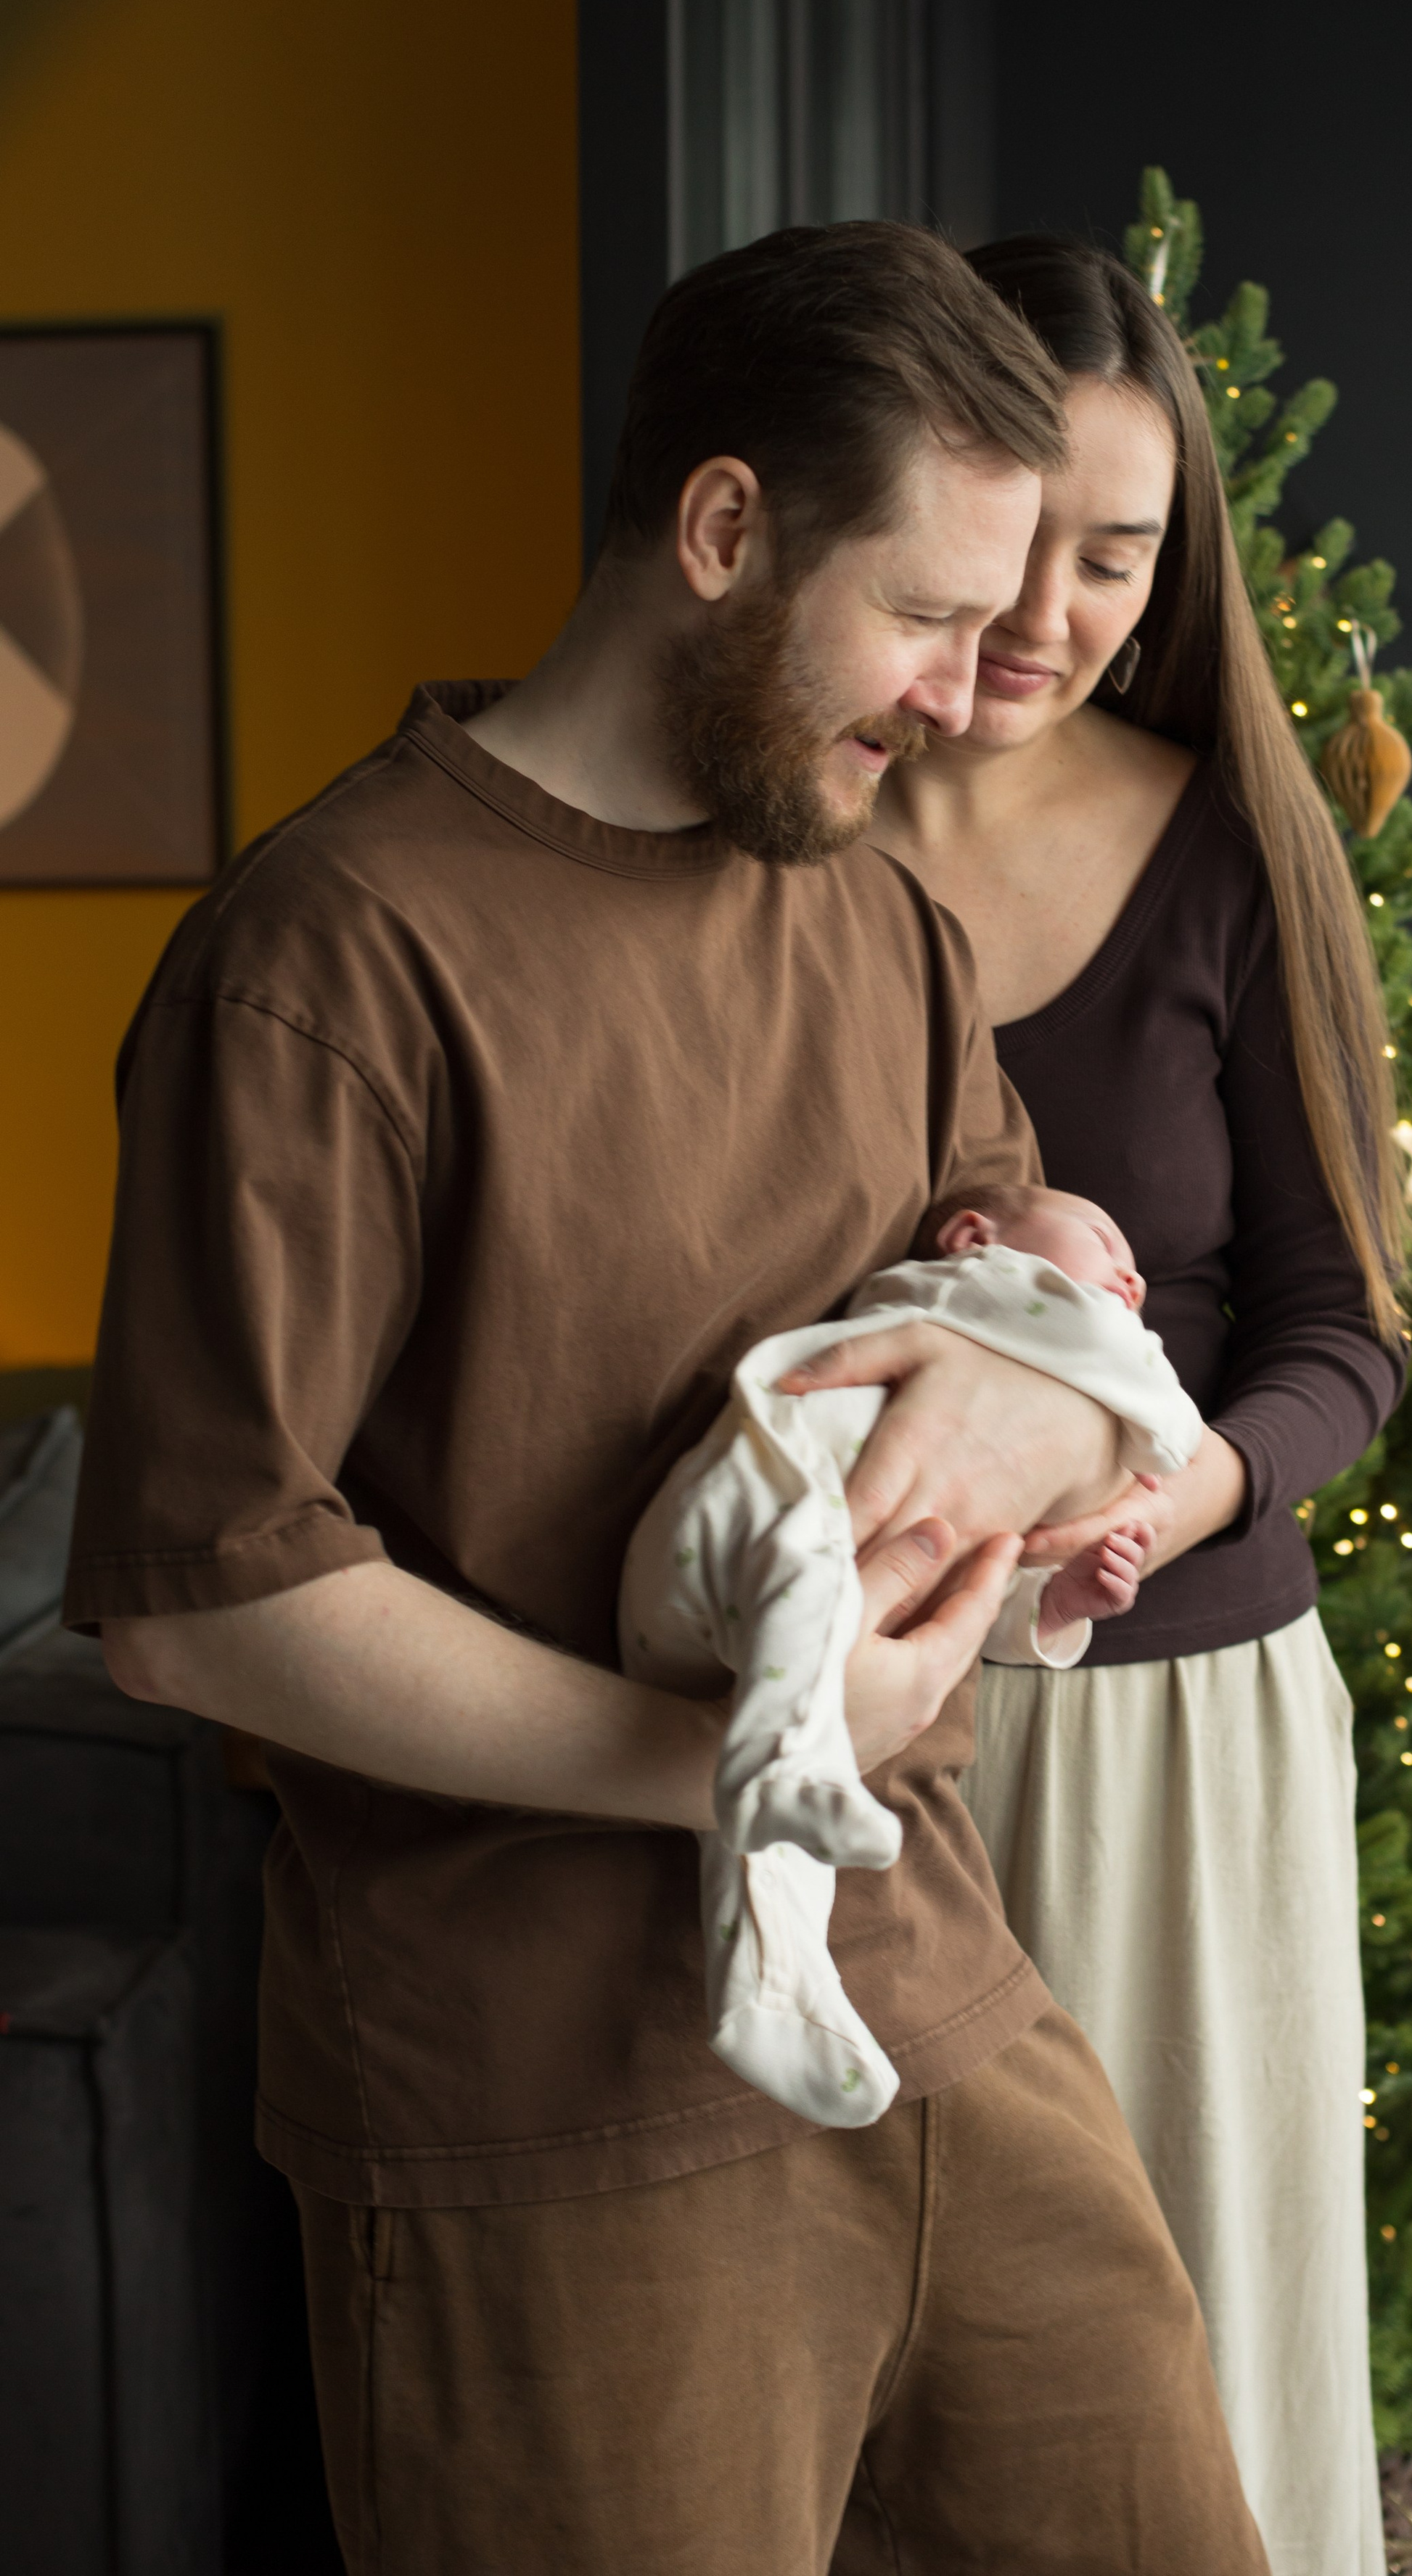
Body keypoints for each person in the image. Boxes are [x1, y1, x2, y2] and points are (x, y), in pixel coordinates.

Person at [66, 223, 1271, 2576]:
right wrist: (727, 1765)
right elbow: (202, 1604)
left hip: (940, 1994)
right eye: (927, 615)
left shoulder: (875, 921)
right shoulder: (335, 957)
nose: (968, 693)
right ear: (725, 534)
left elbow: (1026, 1304)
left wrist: (1056, 1420)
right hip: (537, 2095)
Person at [869, 233, 1408, 2576]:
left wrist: (1191, 1483)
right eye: (1019, 536)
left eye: (1122, 552)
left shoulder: (1234, 846)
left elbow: (1344, 1334)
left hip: (1181, 1733)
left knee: (1200, 2352)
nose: (1053, 608)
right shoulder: (780, 845)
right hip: (864, 1740)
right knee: (892, 2390)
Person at [620, 1180, 1197, 2129]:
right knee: (803, 1667)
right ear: (976, 1236)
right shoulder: (994, 1294)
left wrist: (1057, 1598)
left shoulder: (1012, 1364)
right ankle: (777, 1769)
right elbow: (1165, 1429)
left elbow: (978, 1574)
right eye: (1104, 1238)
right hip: (755, 1509)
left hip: (749, 1605)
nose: (1132, 1277)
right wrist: (1137, 1474)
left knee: (769, 1821)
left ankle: (775, 1995)